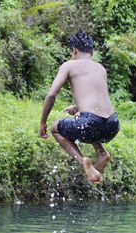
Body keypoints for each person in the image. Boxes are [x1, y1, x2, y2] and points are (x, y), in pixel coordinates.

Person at [39, 31, 120, 184]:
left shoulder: (69, 65)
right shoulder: (100, 68)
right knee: (85, 121)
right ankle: (101, 153)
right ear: (92, 52)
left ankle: (83, 161)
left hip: (91, 123)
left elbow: (51, 95)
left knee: (56, 128)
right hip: (112, 124)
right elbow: (97, 96)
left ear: (74, 50)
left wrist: (43, 123)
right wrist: (77, 107)